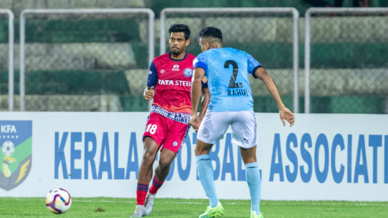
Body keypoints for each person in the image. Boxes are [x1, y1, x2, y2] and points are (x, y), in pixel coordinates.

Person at [190, 27, 295, 218]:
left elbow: (197, 81)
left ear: (206, 45)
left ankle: (214, 205)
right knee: (250, 159)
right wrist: (281, 106)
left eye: (201, 46)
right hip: (244, 110)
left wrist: (194, 113)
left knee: (201, 151)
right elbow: (265, 76)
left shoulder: (202, 57)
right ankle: (255, 212)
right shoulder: (243, 55)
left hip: (219, 109)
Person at [131, 24, 210, 217]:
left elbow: (207, 94)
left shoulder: (196, 63)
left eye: (179, 40)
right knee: (149, 154)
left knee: (165, 161)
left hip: (182, 119)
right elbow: (148, 89)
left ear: (187, 42)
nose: (175, 43)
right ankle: (139, 207)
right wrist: (147, 92)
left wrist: (199, 116)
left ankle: (152, 193)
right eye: (172, 39)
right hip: (159, 114)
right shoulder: (157, 63)